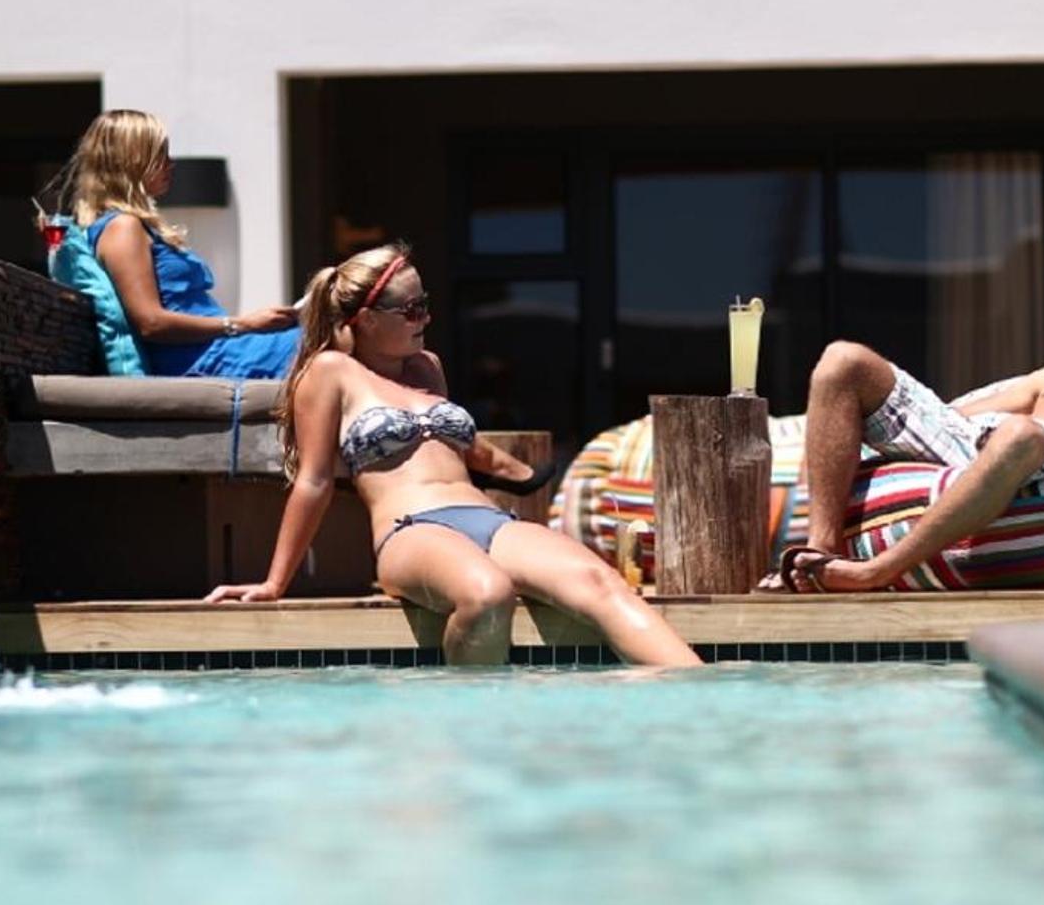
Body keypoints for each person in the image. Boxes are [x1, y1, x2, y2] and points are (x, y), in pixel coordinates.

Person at [205, 244, 704, 668]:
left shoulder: (427, 367)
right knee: (487, 594)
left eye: (425, 304)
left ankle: (704, 697)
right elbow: (313, 481)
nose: (426, 317)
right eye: (411, 310)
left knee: (600, 582)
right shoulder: (330, 372)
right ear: (367, 320)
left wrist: (517, 471)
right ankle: (469, 726)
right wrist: (275, 583)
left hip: (490, 520)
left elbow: (455, 447)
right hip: (412, 530)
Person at [766, 229, 1044, 593]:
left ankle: (877, 571)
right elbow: (954, 416)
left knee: (1021, 432)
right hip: (983, 444)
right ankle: (818, 554)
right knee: (843, 359)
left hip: (1043, 452)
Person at [47, 108, 299, 378]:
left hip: (219, 348)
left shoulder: (135, 225)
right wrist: (243, 324)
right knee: (319, 341)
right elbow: (150, 322)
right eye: (160, 155)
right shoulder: (122, 227)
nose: (170, 164)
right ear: (132, 161)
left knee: (322, 334)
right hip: (203, 358)